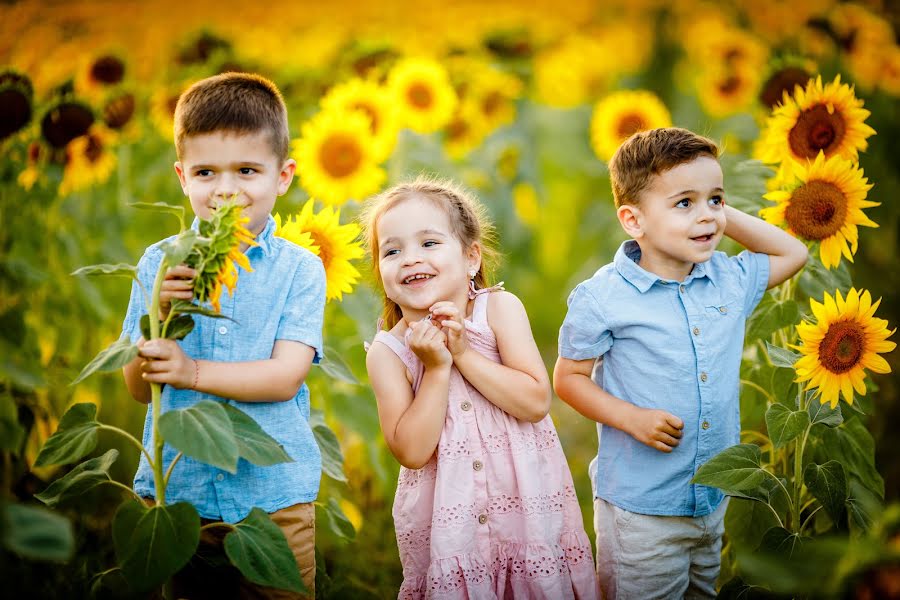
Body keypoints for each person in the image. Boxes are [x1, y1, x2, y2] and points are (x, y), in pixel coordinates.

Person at [554, 127, 808, 599]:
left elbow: (794, 252)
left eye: (716, 199)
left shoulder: (728, 279)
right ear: (633, 220)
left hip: (711, 497)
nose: (707, 216)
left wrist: (711, 212)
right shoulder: (604, 298)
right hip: (643, 507)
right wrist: (630, 418)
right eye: (684, 203)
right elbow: (568, 379)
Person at [120, 72, 326, 599]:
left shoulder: (300, 269)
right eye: (206, 171)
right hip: (177, 497)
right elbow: (139, 388)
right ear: (182, 177)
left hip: (272, 503)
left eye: (248, 170)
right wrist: (156, 313)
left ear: (283, 177)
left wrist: (192, 372)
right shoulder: (159, 264)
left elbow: (285, 378)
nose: (227, 189)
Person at [362, 176, 597, 599]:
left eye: (429, 244)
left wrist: (464, 354)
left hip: (526, 511)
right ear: (380, 270)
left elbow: (535, 401)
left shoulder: (500, 310)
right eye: (392, 250)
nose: (410, 259)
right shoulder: (388, 352)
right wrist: (436, 369)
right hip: (453, 524)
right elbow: (412, 451)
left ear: (471, 258)